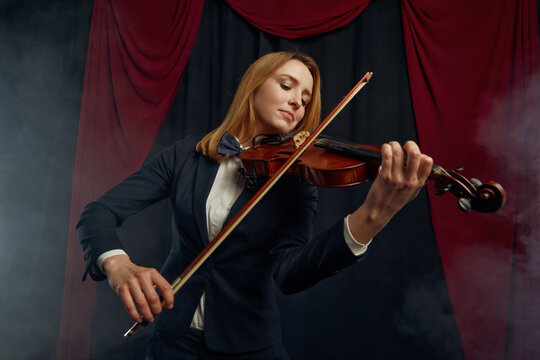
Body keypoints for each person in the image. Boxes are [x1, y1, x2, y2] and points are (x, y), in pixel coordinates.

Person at [77, 51, 433, 359]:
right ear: (254, 85)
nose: (298, 101)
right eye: (286, 85)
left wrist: (372, 216)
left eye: (306, 98)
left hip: (248, 346)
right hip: (172, 341)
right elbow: (98, 213)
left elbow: (290, 273)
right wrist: (117, 265)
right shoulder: (185, 156)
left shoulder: (294, 180)